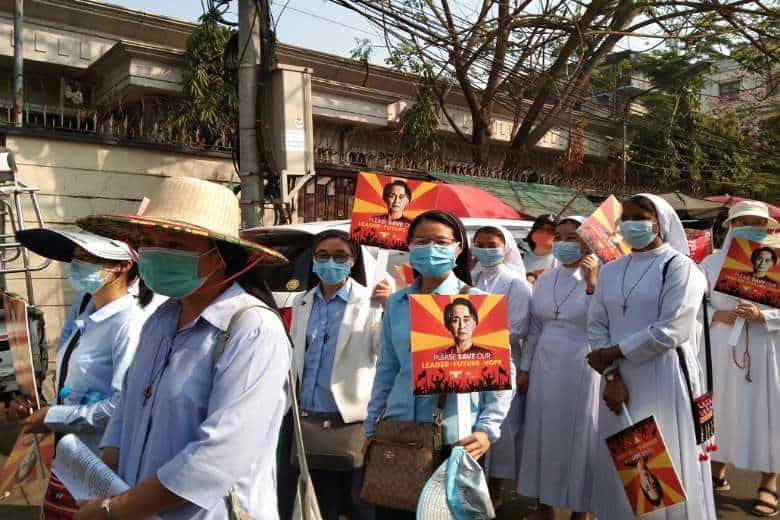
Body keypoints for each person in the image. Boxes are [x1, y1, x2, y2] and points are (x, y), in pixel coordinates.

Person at [73, 176, 291, 519]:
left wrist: (114, 510)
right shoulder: (160, 319)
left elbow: (219, 454)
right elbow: (126, 414)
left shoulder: (253, 330)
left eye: (173, 243)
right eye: (149, 241)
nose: (156, 252)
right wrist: (101, 485)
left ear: (220, 255)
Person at [363, 210, 513, 520]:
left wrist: (487, 430)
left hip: (456, 441)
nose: (431, 247)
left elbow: (501, 374)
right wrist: (371, 426)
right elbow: (387, 370)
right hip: (400, 433)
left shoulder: (477, 302)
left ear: (458, 248)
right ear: (409, 247)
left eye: (441, 241)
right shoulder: (396, 303)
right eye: (422, 241)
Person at [586, 194, 716, 519]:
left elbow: (672, 329)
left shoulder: (681, 268)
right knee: (624, 460)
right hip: (617, 379)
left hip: (664, 374)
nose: (630, 223)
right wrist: (612, 376)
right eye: (624, 218)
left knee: (665, 459)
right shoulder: (612, 270)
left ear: (659, 221)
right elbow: (596, 323)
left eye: (638, 216)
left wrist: (612, 353)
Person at [12, 227, 152, 518]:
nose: (78, 265)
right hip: (70, 458)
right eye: (76, 257)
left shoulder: (129, 324)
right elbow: (73, 382)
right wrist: (42, 408)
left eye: (89, 258)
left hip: (103, 464)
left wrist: (54, 417)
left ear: (123, 266)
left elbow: (121, 404)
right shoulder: (85, 306)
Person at [288, 229, 382, 520]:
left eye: (340, 256)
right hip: (308, 420)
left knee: (358, 506)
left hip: (351, 421)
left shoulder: (371, 302)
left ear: (353, 261)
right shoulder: (302, 302)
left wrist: (392, 307)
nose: (331, 262)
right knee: (318, 505)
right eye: (323, 255)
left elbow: (384, 351)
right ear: (313, 260)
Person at [700, 200, 780, 517]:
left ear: (768, 229)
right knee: (721, 411)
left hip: (765, 349)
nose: (749, 227)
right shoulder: (710, 263)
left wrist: (765, 315)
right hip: (722, 348)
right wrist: (718, 313)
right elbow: (692, 304)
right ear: (728, 227)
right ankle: (717, 469)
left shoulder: (776, 261)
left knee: (768, 414)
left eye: (756, 223)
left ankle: (769, 483)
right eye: (742, 221)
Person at [516, 216, 599, 520]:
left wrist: (592, 286)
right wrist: (525, 368)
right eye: (559, 237)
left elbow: (603, 325)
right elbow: (535, 327)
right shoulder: (546, 278)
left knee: (579, 434)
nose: (564, 243)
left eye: (572, 237)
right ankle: (544, 504)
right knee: (541, 431)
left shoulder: (602, 277)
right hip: (544, 363)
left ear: (588, 242)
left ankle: (581, 508)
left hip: (583, 361)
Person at [470, 225, 531, 504]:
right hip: (470, 361)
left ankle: (495, 494)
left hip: (503, 360)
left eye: (491, 244)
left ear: (505, 247)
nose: (485, 248)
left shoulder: (515, 283)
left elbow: (518, 327)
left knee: (501, 429)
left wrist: (475, 335)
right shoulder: (470, 278)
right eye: (479, 243)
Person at [523, 214, 559, 283]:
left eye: (551, 230)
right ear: (532, 232)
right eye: (540, 229)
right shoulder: (519, 258)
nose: (545, 233)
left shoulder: (561, 263)